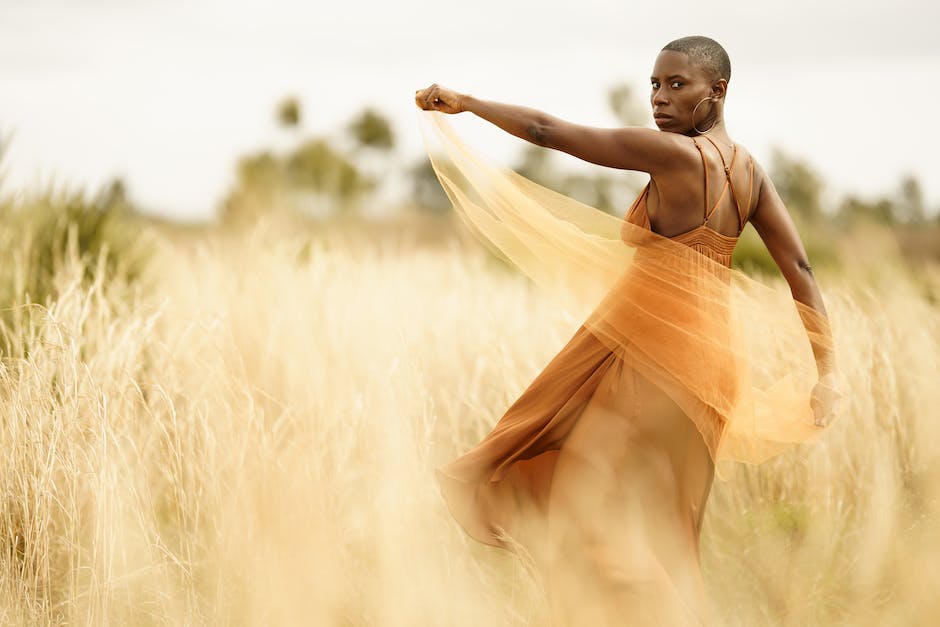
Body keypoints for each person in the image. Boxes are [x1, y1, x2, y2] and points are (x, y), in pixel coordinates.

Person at [415, 35, 842, 626]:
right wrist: (828, 373)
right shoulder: (750, 173)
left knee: (589, 509)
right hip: (711, 371)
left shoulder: (674, 157)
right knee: (663, 526)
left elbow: (546, 131)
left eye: (677, 85)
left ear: (718, 91)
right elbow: (800, 268)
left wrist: (466, 102)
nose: (659, 100)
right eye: (654, 85)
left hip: (657, 359)